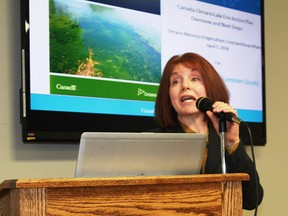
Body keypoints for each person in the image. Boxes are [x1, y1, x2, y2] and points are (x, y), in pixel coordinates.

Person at [152, 52, 263, 210]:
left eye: (195, 79)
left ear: (210, 88)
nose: (185, 86)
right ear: (168, 96)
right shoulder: (155, 141)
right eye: (175, 81)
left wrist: (232, 144)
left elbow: (252, 200)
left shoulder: (224, 137)